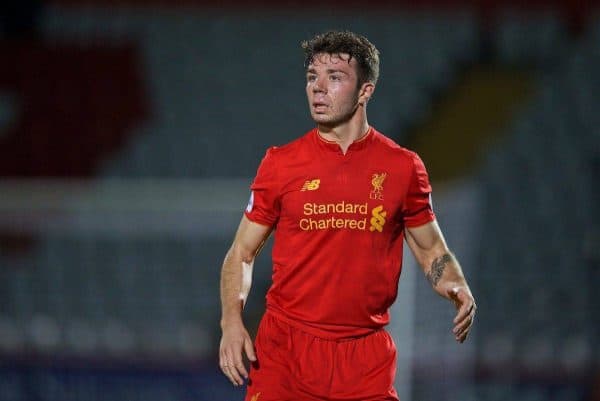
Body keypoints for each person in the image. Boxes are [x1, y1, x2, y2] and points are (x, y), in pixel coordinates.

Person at [219, 30, 476, 401]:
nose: (318, 88)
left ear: (365, 91)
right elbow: (241, 253)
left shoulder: (403, 168)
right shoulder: (280, 163)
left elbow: (431, 248)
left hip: (364, 360)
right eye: (312, 77)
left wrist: (458, 286)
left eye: (334, 77)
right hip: (286, 352)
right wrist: (231, 320)